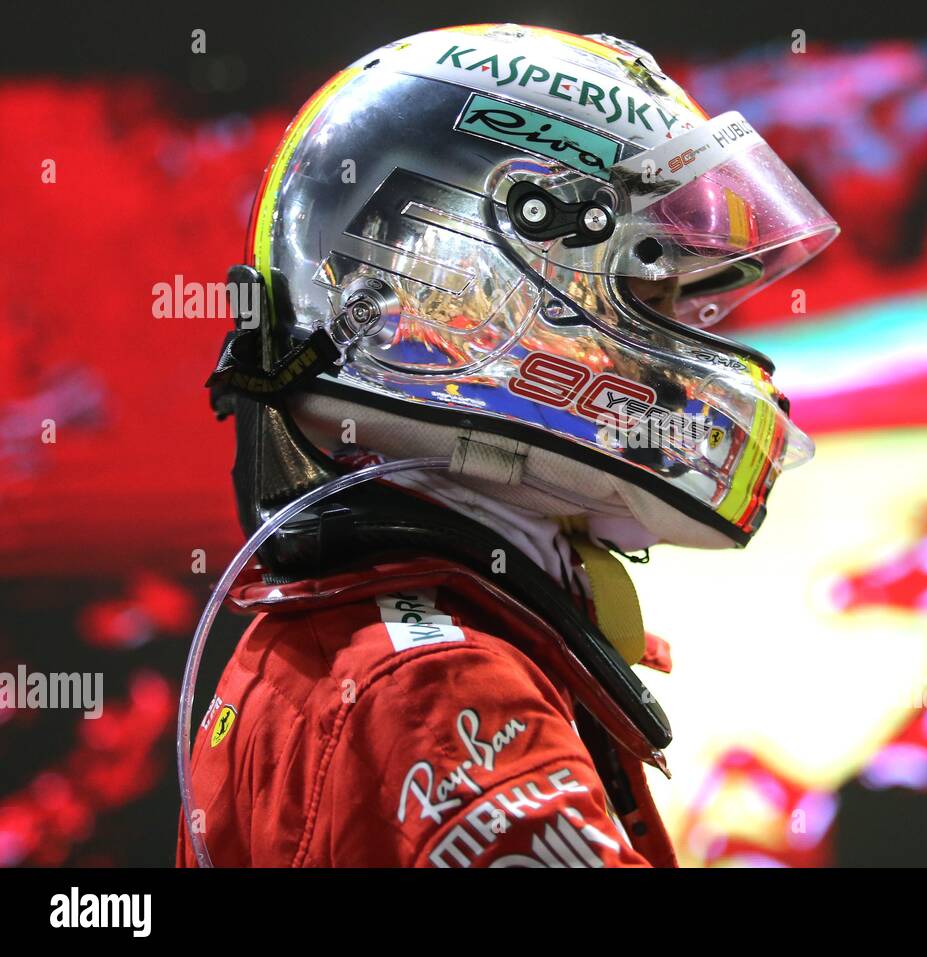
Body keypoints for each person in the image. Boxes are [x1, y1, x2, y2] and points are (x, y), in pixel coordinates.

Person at [177, 22, 837, 868]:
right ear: (480, 298)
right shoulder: (438, 693)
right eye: (651, 296)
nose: (683, 349)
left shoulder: (341, 641)